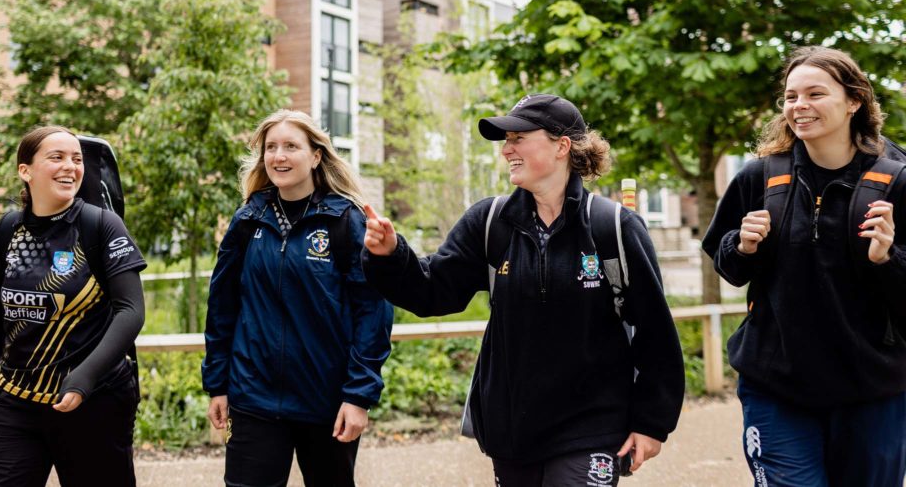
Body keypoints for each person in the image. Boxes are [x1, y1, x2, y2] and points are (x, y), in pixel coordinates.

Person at [362, 94, 684, 487]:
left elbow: (656, 334)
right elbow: (432, 291)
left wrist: (652, 422)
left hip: (592, 427)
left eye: (518, 138)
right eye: (505, 140)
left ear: (561, 146)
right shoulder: (490, 222)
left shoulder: (612, 226)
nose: (506, 150)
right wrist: (391, 255)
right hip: (513, 434)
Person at [702, 46, 906, 487]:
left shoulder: (897, 180)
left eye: (815, 94)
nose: (800, 106)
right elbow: (729, 266)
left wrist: (888, 259)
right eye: (791, 97)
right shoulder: (759, 177)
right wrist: (743, 246)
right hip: (777, 387)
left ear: (854, 101)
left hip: (873, 390)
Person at [202, 110, 393, 487]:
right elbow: (222, 307)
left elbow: (372, 313)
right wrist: (218, 385)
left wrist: (358, 395)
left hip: (326, 403)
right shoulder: (247, 221)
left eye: (291, 146)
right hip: (252, 397)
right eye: (271, 148)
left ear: (316, 156)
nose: (279, 156)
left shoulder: (345, 222)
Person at [0, 126, 146, 486]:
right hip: (13, 399)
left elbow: (131, 311)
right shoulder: (7, 231)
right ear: (25, 170)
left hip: (94, 402)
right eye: (57, 157)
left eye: (77, 159)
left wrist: (84, 378)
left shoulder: (101, 225)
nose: (71, 167)